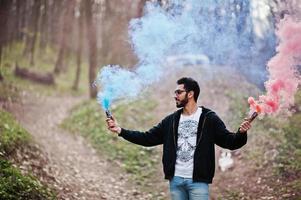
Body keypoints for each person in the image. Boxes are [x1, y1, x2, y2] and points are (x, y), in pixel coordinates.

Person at [106, 77, 251, 200]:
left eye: (179, 92)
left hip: (198, 182)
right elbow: (147, 138)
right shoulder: (171, 120)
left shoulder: (209, 119)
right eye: (175, 92)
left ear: (190, 94)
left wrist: (241, 133)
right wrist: (120, 130)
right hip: (176, 180)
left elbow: (229, 142)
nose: (175, 95)